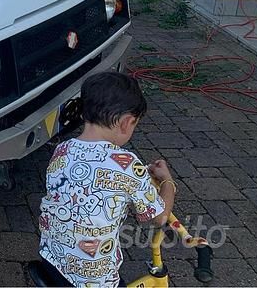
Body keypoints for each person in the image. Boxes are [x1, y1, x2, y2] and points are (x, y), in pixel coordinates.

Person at [38, 71, 176, 287]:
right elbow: (159, 217)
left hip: (51, 260)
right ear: (126, 122)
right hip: (93, 280)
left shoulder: (62, 149)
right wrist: (168, 182)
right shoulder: (128, 164)